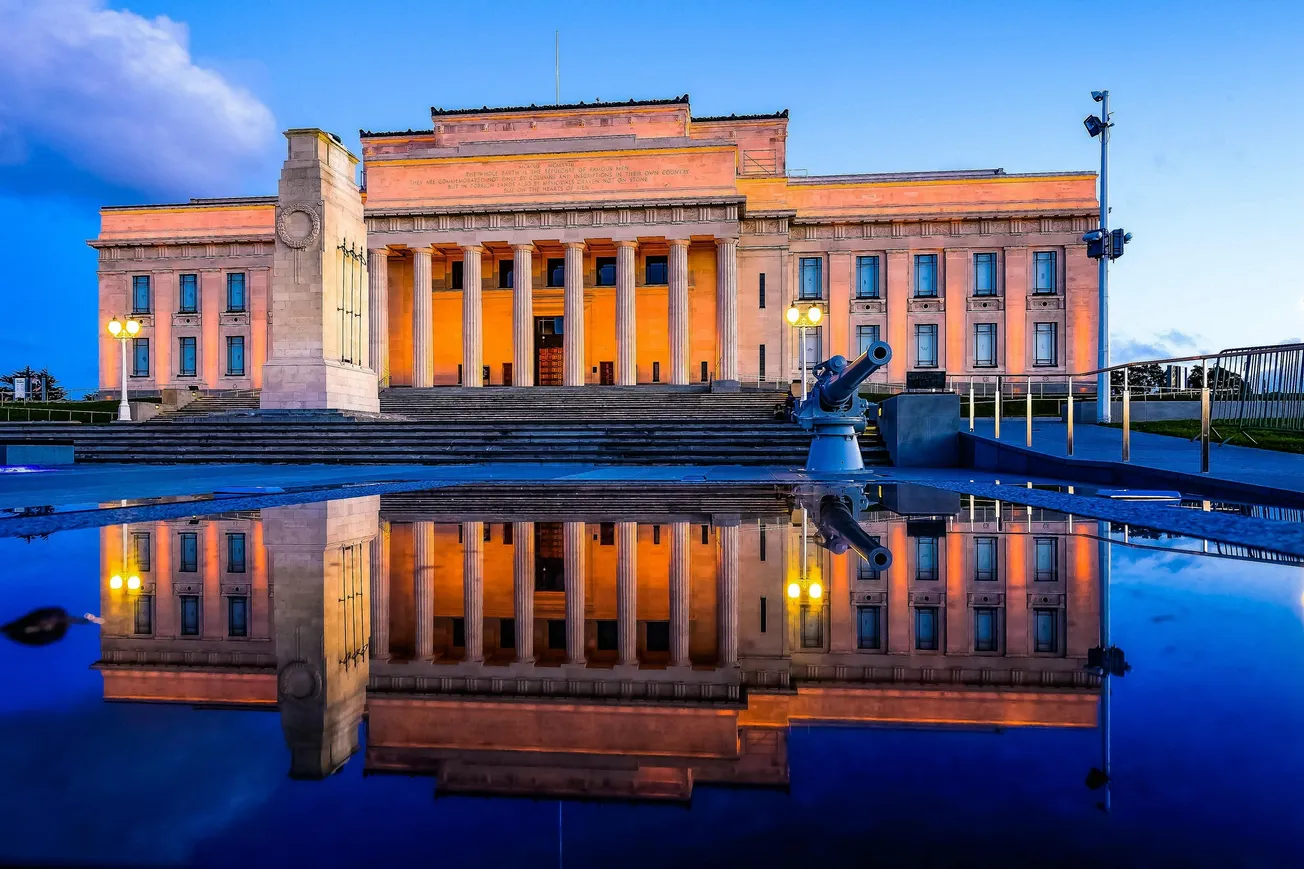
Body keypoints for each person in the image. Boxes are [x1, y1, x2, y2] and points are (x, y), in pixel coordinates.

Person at [1, 607, 103, 646]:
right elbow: (37, 614)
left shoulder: (58, 632)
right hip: (24, 629)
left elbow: (39, 640)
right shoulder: (57, 614)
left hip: (27, 631)